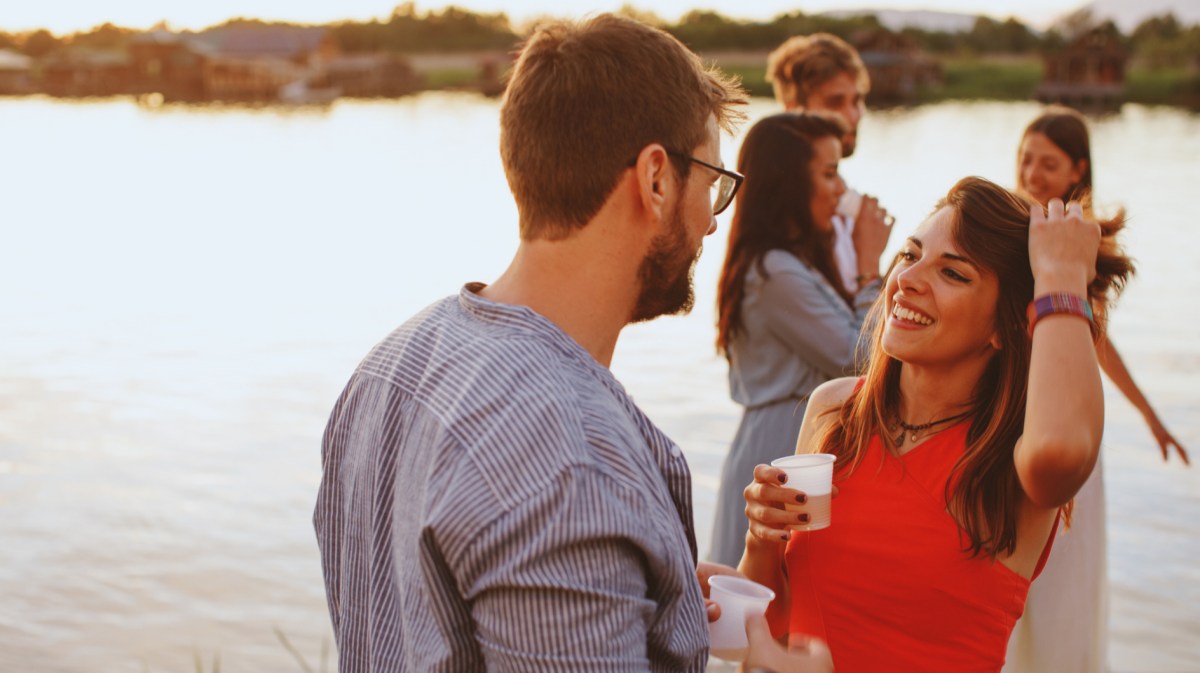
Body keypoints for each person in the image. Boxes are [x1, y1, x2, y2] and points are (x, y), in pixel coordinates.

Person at [313, 14, 830, 673]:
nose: (708, 222)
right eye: (712, 183)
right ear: (656, 178)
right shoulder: (572, 465)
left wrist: (642, 596)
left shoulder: (388, 368)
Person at [740, 177, 1134, 672]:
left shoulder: (1011, 462)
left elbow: (1061, 454)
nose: (907, 279)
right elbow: (770, 623)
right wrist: (762, 540)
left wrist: (1060, 281)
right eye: (909, 255)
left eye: (953, 273)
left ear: (1004, 326)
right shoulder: (835, 413)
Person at [1004, 106, 1190, 673]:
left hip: (1067, 422)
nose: (1033, 173)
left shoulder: (1080, 244)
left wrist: (1149, 414)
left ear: (1077, 169)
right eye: (1026, 159)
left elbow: (1098, 342)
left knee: (1062, 577)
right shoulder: (1006, 226)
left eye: (1049, 163)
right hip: (1009, 420)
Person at [707, 112, 892, 567]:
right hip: (779, 443)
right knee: (760, 599)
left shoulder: (798, 265)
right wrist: (871, 268)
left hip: (799, 441)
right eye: (828, 174)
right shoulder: (774, 273)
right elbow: (860, 357)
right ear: (789, 182)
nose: (839, 189)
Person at [766, 32, 893, 294]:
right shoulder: (783, 214)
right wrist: (869, 266)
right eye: (835, 102)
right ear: (794, 112)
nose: (852, 115)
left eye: (857, 100)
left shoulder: (845, 199)